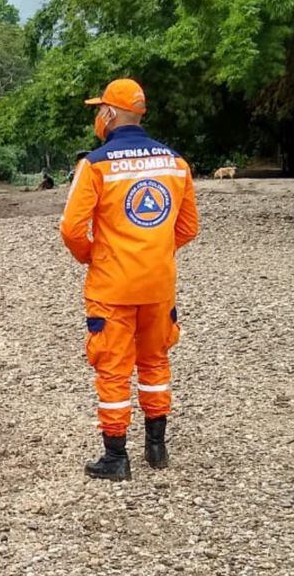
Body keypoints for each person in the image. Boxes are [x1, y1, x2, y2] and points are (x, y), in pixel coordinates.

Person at [60, 79, 199, 482]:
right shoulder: (175, 163)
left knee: (113, 368)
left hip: (112, 286)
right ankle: (157, 448)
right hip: (158, 285)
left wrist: (94, 256)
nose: (96, 117)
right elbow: (188, 227)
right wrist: (155, 251)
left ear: (109, 114)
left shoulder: (96, 164)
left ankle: (116, 457)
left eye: (98, 110)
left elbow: (71, 227)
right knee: (155, 361)